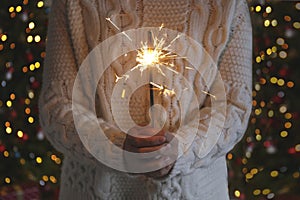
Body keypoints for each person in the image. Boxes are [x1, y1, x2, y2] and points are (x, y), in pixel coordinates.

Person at [39, 0, 252, 199]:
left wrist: (180, 150)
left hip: (195, 191)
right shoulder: (75, 4)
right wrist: (116, 147)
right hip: (95, 190)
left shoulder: (227, 5)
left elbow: (234, 108)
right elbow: (56, 106)